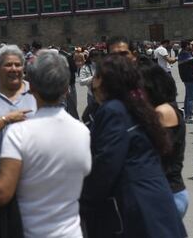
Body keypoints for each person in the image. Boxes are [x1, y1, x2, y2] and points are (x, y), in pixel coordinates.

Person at [80, 54, 186, 238]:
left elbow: (107, 163)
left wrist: (84, 199)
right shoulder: (135, 106)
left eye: (96, 77)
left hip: (138, 204)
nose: (92, 82)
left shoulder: (112, 110)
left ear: (106, 81)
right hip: (157, 198)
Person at [0, 51, 91, 237]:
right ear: (66, 89)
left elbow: (2, 193)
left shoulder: (18, 133)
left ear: (32, 87)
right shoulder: (82, 131)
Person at [139, 58, 189, 218]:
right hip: (164, 192)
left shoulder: (163, 112)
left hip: (167, 193)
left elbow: (159, 154)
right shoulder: (158, 110)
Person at [177, 40, 193, 123]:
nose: (191, 46)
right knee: (191, 98)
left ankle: (187, 115)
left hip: (187, 77)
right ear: (187, 46)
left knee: (188, 97)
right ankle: (189, 116)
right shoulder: (185, 54)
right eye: (190, 45)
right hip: (191, 77)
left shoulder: (183, 53)